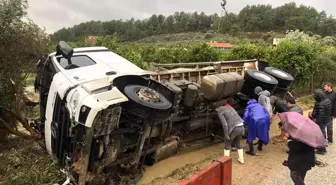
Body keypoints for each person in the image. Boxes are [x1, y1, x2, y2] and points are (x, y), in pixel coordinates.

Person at [310, 89, 332, 155]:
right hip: (326, 120)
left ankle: (322, 150)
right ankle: (322, 146)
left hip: (321, 121)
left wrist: (315, 121)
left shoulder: (320, 104)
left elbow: (320, 115)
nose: (314, 96)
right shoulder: (327, 100)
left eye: (315, 95)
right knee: (323, 133)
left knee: (320, 135)